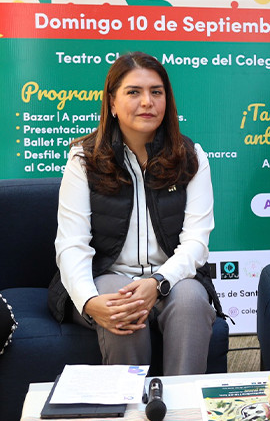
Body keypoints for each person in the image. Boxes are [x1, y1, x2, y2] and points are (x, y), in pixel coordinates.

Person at [47, 51, 223, 375]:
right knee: (121, 305)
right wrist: (88, 301)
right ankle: (128, 407)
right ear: (112, 103)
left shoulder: (191, 157)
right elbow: (72, 245)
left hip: (171, 277)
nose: (147, 102)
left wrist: (158, 282)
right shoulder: (83, 160)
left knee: (192, 303)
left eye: (156, 92)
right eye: (134, 92)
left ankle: (184, 409)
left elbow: (196, 244)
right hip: (106, 277)